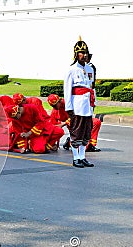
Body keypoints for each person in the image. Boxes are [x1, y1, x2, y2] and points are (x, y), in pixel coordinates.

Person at [63, 37, 95, 168]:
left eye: (86, 52)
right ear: (76, 55)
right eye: (82, 53)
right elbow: (67, 90)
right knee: (76, 131)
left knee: (86, 131)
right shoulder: (71, 70)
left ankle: (82, 156)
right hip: (77, 105)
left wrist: (94, 103)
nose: (85, 55)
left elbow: (91, 87)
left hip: (88, 104)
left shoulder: (90, 69)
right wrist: (68, 107)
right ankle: (76, 157)